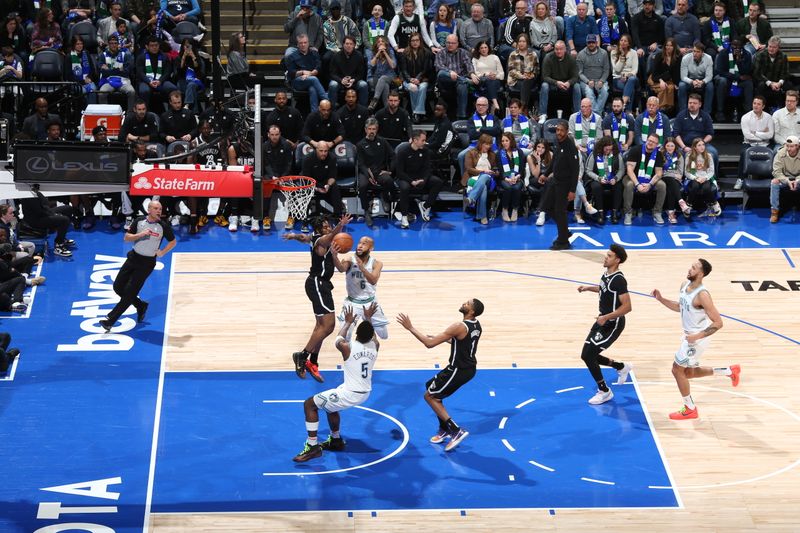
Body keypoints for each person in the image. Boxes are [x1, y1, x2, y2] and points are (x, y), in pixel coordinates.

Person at [651, 259, 740, 420]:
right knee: (689, 373)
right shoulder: (684, 285)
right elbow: (680, 307)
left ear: (701, 273)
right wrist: (661, 299)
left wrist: (696, 336)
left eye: (693, 268)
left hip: (698, 338)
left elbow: (718, 323)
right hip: (690, 336)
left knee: (676, 370)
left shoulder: (703, 295)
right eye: (690, 266)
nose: (689, 269)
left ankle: (690, 408)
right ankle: (729, 371)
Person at [293, 303, 380, 462]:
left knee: (309, 404)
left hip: (351, 393)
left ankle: (312, 447)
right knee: (329, 405)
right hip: (363, 392)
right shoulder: (375, 346)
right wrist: (368, 318)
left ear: (357, 334)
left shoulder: (347, 347)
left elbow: (339, 338)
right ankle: (336, 440)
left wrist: (347, 323)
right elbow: (372, 336)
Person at [397, 298, 484, 452]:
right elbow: (462, 342)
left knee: (429, 396)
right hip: (468, 369)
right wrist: (442, 338)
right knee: (430, 387)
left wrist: (410, 327)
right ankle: (444, 429)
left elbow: (429, 344)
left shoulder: (459, 326)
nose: (464, 303)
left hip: (458, 369)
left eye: (468, 303)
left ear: (471, 311)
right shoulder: (476, 325)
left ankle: (456, 430)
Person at [285, 214, 353, 383]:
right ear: (319, 230)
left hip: (321, 285)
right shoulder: (322, 240)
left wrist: (294, 236)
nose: (328, 228)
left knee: (320, 327)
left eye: (328, 225)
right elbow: (328, 237)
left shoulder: (315, 238)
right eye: (325, 226)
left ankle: (313, 362)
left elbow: (304, 237)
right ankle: (302, 355)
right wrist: (341, 224)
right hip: (317, 283)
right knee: (329, 326)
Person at [99, 200, 176, 332]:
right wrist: (140, 235)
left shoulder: (163, 226)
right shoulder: (139, 221)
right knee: (118, 287)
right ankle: (140, 305)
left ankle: (110, 320)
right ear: (149, 210)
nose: (159, 211)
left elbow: (173, 241)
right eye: (156, 208)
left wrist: (162, 252)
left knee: (130, 292)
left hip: (147, 264)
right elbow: (126, 237)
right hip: (133, 258)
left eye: (160, 209)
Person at [576, 244, 633, 404]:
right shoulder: (607, 274)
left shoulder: (619, 280)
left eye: (609, 256)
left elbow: (627, 307)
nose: (605, 257)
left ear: (617, 260)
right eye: (606, 255)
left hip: (612, 324)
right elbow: (603, 288)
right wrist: (588, 288)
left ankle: (605, 391)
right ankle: (621, 366)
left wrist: (607, 317)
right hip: (603, 320)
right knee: (586, 355)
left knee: (588, 355)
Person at [333, 237, 389, 339]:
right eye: (359, 243)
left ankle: (365, 328)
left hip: (370, 303)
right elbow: (341, 269)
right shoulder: (349, 260)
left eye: (364, 244)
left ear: (371, 248)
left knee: (384, 335)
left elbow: (373, 281)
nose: (360, 245)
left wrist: (362, 268)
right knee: (345, 337)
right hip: (352, 303)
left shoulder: (377, 264)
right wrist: (334, 256)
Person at [395, 130, 444, 228]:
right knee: (405, 188)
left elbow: (427, 169)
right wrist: (411, 181)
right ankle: (404, 216)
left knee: (438, 182)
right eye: (423, 140)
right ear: (415, 140)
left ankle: (425, 206)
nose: (425, 142)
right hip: (405, 177)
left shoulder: (425, 151)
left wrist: (423, 180)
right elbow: (399, 172)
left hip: (420, 177)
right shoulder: (402, 151)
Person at [544, 120, 579, 250]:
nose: (558, 132)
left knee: (560, 211)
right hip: (556, 182)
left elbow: (575, 170)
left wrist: (572, 190)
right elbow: (554, 161)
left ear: (566, 131)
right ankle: (565, 231)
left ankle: (563, 241)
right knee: (548, 207)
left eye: (561, 130)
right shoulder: (558, 143)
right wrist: (546, 173)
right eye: (557, 130)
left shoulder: (571, 147)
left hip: (565, 185)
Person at [356, 118, 395, 227]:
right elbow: (361, 164)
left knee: (388, 180)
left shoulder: (382, 141)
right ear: (365, 130)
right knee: (362, 185)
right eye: (369, 129)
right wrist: (368, 175)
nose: (371, 131)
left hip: (380, 172)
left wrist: (390, 171)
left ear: (377, 130)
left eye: (374, 129)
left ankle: (385, 197)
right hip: (366, 172)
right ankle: (366, 211)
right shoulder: (360, 144)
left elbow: (393, 156)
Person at [624, 133, 667, 224]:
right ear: (646, 140)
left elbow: (659, 173)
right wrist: (637, 184)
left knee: (662, 185)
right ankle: (628, 213)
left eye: (654, 142)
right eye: (650, 140)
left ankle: (657, 212)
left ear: (657, 145)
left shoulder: (658, 154)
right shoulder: (635, 150)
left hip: (649, 180)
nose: (650, 143)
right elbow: (629, 170)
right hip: (632, 178)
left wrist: (650, 184)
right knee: (629, 184)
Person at [435, 33, 477, 119]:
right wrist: (450, 72)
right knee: (441, 73)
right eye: (448, 42)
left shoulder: (463, 52)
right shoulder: (441, 53)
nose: (450, 45)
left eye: (452, 43)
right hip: (446, 81)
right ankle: (464, 80)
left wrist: (472, 73)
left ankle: (461, 116)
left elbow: (468, 64)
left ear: (457, 44)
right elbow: (438, 66)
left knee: (462, 86)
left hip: (459, 82)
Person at [584, 135, 624, 224]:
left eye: (610, 149)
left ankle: (614, 212)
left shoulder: (617, 155)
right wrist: (598, 178)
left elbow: (621, 170)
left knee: (619, 186)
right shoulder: (594, 154)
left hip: (612, 178)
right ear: (602, 147)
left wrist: (616, 178)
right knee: (596, 186)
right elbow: (588, 171)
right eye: (606, 149)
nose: (608, 151)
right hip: (598, 178)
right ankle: (600, 213)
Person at [539, 41, 581, 123]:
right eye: (557, 49)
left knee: (577, 86)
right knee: (544, 86)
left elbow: (575, 77)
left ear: (565, 49)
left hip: (566, 84)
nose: (559, 51)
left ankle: (577, 115)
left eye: (561, 49)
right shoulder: (548, 57)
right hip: (553, 84)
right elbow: (545, 77)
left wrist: (569, 82)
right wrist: (556, 82)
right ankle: (542, 114)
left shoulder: (571, 59)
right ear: (554, 49)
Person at [713, 38, 753, 123]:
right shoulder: (723, 53)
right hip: (727, 80)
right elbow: (720, 71)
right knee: (722, 81)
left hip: (740, 81)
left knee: (748, 83)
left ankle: (748, 112)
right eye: (734, 46)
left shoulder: (747, 55)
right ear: (731, 45)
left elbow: (747, 71)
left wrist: (739, 61)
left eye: (738, 46)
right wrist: (737, 77)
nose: (736, 48)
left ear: (742, 47)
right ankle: (720, 111)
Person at [463, 133, 499, 225]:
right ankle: (482, 216)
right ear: (481, 143)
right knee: (483, 187)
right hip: (473, 178)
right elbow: (469, 169)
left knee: (484, 177)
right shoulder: (471, 153)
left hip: (488, 179)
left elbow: (496, 168)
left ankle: (471, 198)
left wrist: (495, 172)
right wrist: (483, 171)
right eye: (486, 144)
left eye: (490, 144)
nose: (488, 146)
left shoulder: (492, 155)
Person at [285, 34, 326, 113]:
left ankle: (315, 114)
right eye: (301, 43)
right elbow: (291, 73)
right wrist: (302, 72)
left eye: (305, 42)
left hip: (310, 80)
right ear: (297, 44)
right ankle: (326, 101)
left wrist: (309, 74)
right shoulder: (292, 56)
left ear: (308, 43)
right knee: (313, 79)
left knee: (312, 89)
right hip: (298, 82)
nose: (303, 45)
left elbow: (319, 67)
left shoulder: (314, 53)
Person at [683, 138, 722, 217]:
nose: (702, 147)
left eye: (703, 145)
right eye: (699, 145)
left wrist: (705, 178)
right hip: (694, 177)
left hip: (705, 177)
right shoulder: (689, 156)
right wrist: (695, 178)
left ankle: (714, 203)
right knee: (695, 186)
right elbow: (687, 172)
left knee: (706, 188)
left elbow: (711, 171)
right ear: (694, 147)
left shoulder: (708, 156)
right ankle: (688, 205)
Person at [400, 32, 432, 123]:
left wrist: (418, 79)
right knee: (413, 88)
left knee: (422, 87)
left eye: (417, 40)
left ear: (420, 41)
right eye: (413, 40)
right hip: (407, 79)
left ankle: (416, 113)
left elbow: (425, 70)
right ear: (410, 42)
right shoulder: (405, 53)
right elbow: (403, 70)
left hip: (422, 79)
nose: (415, 42)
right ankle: (419, 114)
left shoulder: (426, 53)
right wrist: (410, 79)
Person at [753, 36, 792, 111]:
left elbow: (785, 73)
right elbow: (757, 73)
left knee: (789, 85)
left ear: (778, 47)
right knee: (761, 85)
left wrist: (779, 83)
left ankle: (785, 110)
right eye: (770, 46)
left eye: (774, 47)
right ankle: (763, 109)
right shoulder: (760, 55)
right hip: (764, 81)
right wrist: (770, 83)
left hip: (778, 82)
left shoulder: (783, 56)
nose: (771, 49)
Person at [328, 34, 368, 106]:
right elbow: (332, 73)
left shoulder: (359, 56)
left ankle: (363, 110)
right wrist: (341, 80)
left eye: (351, 44)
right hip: (340, 81)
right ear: (343, 45)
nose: (349, 46)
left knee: (363, 85)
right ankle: (332, 110)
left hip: (354, 81)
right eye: (347, 44)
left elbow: (361, 73)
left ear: (354, 45)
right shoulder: (336, 56)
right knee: (332, 85)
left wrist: (354, 80)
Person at [769, 135, 800, 223]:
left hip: (798, 179)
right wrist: (787, 181)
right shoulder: (780, 153)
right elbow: (776, 172)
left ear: (797, 146)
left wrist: (797, 180)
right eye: (787, 146)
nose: (788, 148)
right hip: (784, 178)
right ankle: (774, 212)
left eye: (791, 146)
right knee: (774, 182)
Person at [576, 34, 609, 116]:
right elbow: (579, 73)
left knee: (605, 91)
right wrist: (587, 81)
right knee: (589, 92)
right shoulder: (581, 54)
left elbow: (606, 70)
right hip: (586, 81)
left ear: (596, 43)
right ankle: (597, 115)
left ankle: (595, 114)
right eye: (589, 42)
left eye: (593, 42)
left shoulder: (603, 53)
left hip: (600, 80)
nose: (591, 44)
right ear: (586, 43)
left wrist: (602, 80)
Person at [506, 33, 539, 113]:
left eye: (524, 41)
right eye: (520, 41)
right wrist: (522, 76)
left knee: (527, 82)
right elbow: (511, 71)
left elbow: (537, 69)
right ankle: (525, 108)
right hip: (516, 80)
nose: (521, 43)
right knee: (525, 83)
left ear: (527, 43)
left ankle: (522, 106)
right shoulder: (513, 54)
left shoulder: (533, 54)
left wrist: (532, 75)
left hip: (529, 79)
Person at [497, 132, 527, 222]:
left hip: (517, 177)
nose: (504, 143)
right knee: (508, 187)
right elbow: (500, 170)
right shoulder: (499, 153)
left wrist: (516, 177)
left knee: (517, 187)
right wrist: (507, 179)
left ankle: (515, 210)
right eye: (502, 141)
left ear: (511, 141)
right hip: (504, 178)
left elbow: (522, 169)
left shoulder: (519, 152)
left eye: (506, 140)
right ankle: (505, 210)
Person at [472, 41, 504, 115]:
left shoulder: (495, 57)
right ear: (479, 50)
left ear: (488, 48)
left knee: (492, 81)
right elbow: (475, 73)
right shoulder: (475, 59)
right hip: (482, 81)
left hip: (495, 80)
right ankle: (495, 103)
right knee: (489, 80)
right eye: (481, 48)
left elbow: (502, 74)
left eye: (485, 47)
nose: (484, 49)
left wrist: (495, 76)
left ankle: (493, 106)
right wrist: (485, 74)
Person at [611, 34, 638, 112]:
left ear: (629, 43)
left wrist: (626, 75)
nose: (622, 42)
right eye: (621, 40)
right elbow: (617, 69)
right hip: (618, 78)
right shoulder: (613, 52)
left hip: (630, 77)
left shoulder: (633, 53)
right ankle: (628, 111)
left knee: (632, 79)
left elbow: (635, 70)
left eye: (625, 41)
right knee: (631, 89)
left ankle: (622, 105)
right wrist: (622, 56)